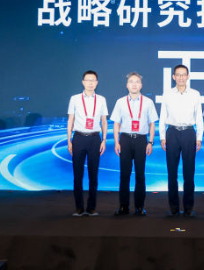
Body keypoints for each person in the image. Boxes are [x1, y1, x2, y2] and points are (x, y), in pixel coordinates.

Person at [111, 72, 158, 216]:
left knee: (140, 175)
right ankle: (123, 206)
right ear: (127, 85)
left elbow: (152, 124)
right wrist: (117, 142)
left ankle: (139, 206)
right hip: (125, 139)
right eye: (131, 81)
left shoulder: (148, 102)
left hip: (141, 140)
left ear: (141, 85)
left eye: (137, 81)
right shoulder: (120, 102)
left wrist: (150, 142)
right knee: (124, 174)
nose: (134, 84)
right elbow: (116, 123)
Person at [159, 64, 203, 217]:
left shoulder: (195, 94)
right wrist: (162, 137)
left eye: (184, 74)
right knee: (172, 173)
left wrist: (199, 138)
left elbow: (199, 117)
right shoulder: (167, 94)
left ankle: (189, 208)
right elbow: (162, 116)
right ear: (173, 77)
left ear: (188, 76)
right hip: (171, 132)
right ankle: (174, 207)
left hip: (189, 132)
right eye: (178, 74)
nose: (181, 77)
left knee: (189, 172)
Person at [67, 70, 108, 217]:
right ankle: (79, 207)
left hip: (94, 139)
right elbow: (70, 120)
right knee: (77, 175)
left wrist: (104, 140)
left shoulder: (101, 99)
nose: (90, 83)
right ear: (83, 82)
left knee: (93, 175)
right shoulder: (75, 99)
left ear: (97, 83)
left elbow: (104, 121)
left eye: (93, 80)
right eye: (88, 80)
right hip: (78, 138)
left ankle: (91, 207)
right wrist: (69, 140)